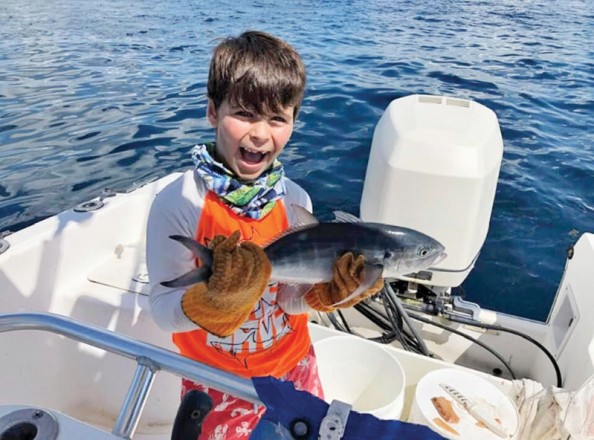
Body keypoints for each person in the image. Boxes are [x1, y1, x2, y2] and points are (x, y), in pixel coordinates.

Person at [146, 30, 384, 439]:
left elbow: (288, 301)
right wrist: (214, 302)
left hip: (295, 365)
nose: (260, 133)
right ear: (211, 111)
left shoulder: (294, 199)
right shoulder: (180, 202)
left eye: (278, 119)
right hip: (216, 381)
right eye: (244, 113)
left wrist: (323, 294)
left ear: (293, 122)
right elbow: (163, 311)